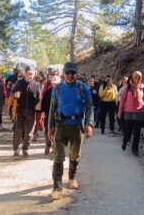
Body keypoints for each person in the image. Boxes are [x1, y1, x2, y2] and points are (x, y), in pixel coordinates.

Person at [48, 62, 94, 200]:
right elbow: (52, 108)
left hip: (77, 126)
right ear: (63, 74)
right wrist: (49, 126)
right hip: (61, 126)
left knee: (74, 154)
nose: (70, 75)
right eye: (67, 73)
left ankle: (72, 177)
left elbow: (90, 106)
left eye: (72, 73)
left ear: (76, 74)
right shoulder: (56, 89)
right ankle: (57, 188)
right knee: (58, 156)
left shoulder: (83, 88)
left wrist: (89, 124)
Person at [117, 71, 144, 157]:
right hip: (128, 114)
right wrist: (119, 113)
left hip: (139, 114)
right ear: (133, 78)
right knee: (128, 132)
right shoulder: (127, 88)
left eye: (139, 77)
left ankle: (135, 149)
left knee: (137, 134)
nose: (137, 79)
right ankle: (125, 141)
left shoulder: (143, 88)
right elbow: (122, 101)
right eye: (136, 77)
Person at [11, 65, 40, 157]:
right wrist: (15, 94)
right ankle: (16, 149)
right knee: (18, 130)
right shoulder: (19, 83)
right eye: (28, 73)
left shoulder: (36, 84)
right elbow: (11, 92)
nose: (29, 75)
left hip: (31, 112)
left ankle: (25, 149)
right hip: (20, 110)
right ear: (25, 74)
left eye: (31, 74)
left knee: (29, 132)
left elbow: (39, 97)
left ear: (34, 74)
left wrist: (39, 109)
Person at [41, 75, 61, 155]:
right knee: (47, 131)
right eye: (53, 83)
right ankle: (48, 145)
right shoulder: (47, 92)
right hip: (48, 115)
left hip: (59, 116)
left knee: (57, 132)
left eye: (56, 83)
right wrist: (42, 112)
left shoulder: (62, 92)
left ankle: (55, 148)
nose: (55, 84)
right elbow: (43, 103)